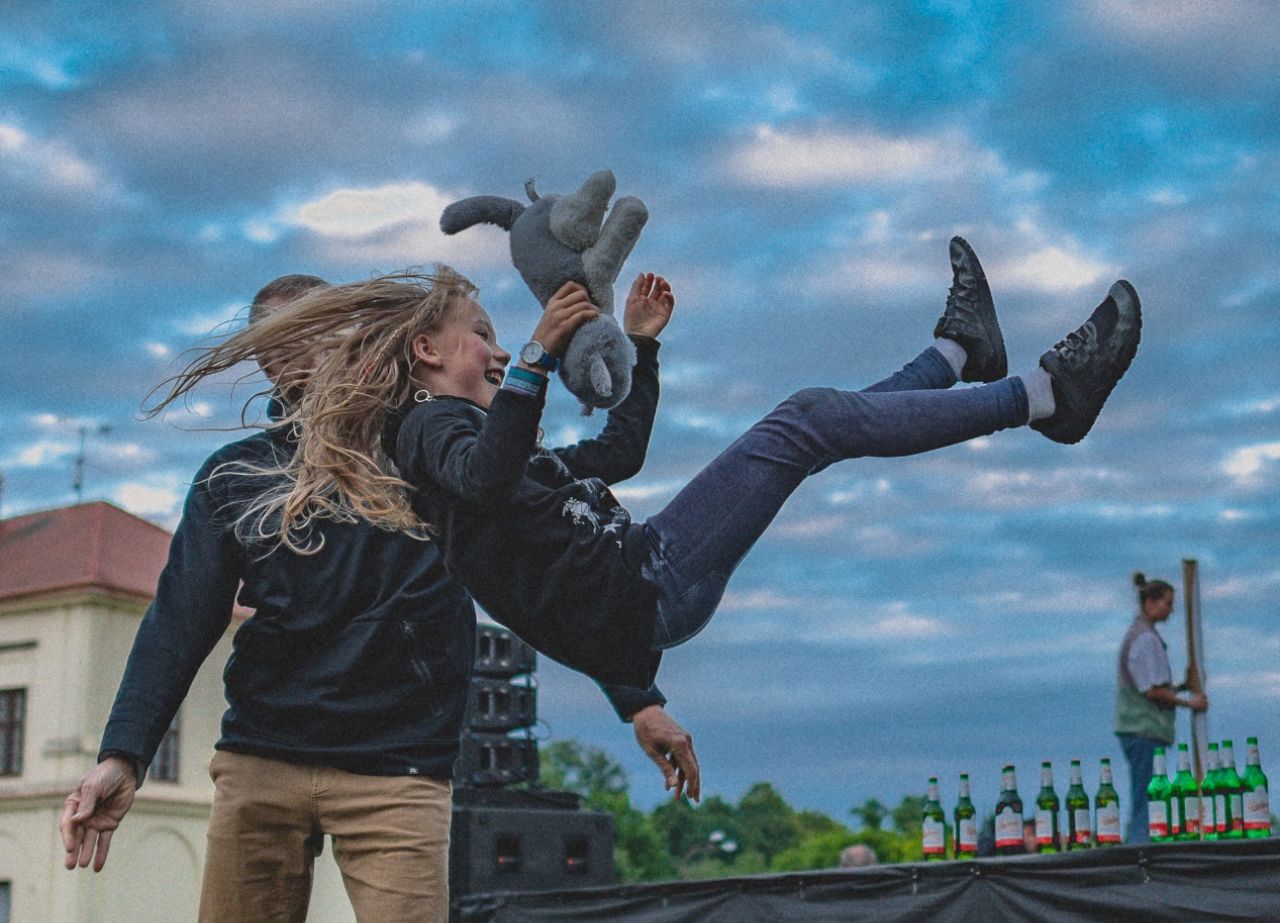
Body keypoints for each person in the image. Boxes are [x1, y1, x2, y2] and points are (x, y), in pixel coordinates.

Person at [60, 273, 699, 923]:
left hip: (399, 775)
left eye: (326, 333)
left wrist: (637, 698)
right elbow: (179, 623)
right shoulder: (235, 478)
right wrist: (122, 756)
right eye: (287, 344)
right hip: (262, 766)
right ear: (268, 364)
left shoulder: (436, 451)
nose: (310, 354)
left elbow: (540, 574)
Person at [151, 238, 1142, 698]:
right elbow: (486, 473)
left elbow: (618, 453)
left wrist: (643, 348)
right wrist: (537, 358)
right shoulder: (429, 439)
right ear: (425, 354)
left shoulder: (469, 450)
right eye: (480, 334)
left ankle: (957, 357)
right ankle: (1046, 398)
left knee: (810, 433)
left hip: (647, 574)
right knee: (800, 423)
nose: (495, 349)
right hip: (648, 586)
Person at [1114, 572, 1208, 843]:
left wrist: (1182, 687)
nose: (1170, 610)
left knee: (1148, 794)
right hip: (1142, 728)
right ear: (1151, 602)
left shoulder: (1144, 636)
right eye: (1167, 603)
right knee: (1147, 796)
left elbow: (1154, 686)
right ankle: (1141, 849)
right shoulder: (1145, 639)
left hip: (1142, 728)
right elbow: (1152, 691)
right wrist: (1189, 703)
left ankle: (1143, 845)